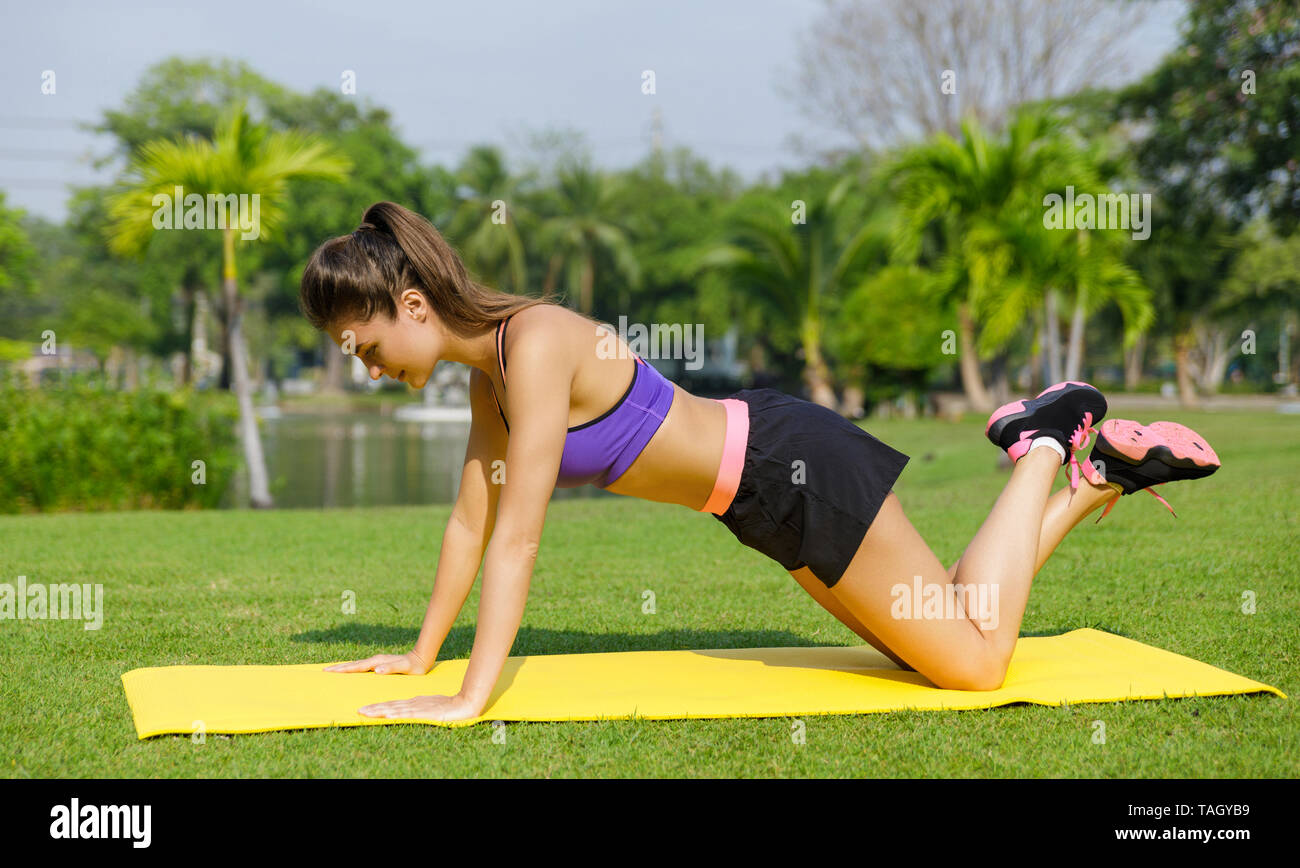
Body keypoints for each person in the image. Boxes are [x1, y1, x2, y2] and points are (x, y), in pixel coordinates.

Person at [297, 202, 1221, 722]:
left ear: (413, 306)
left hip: (789, 467)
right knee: (937, 630)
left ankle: (1047, 440)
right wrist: (419, 659)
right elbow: (472, 521)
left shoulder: (533, 346)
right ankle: (1091, 477)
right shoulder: (487, 381)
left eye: (362, 343)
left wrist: (468, 698)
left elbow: (520, 542)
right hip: (760, 504)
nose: (364, 365)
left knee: (975, 670)